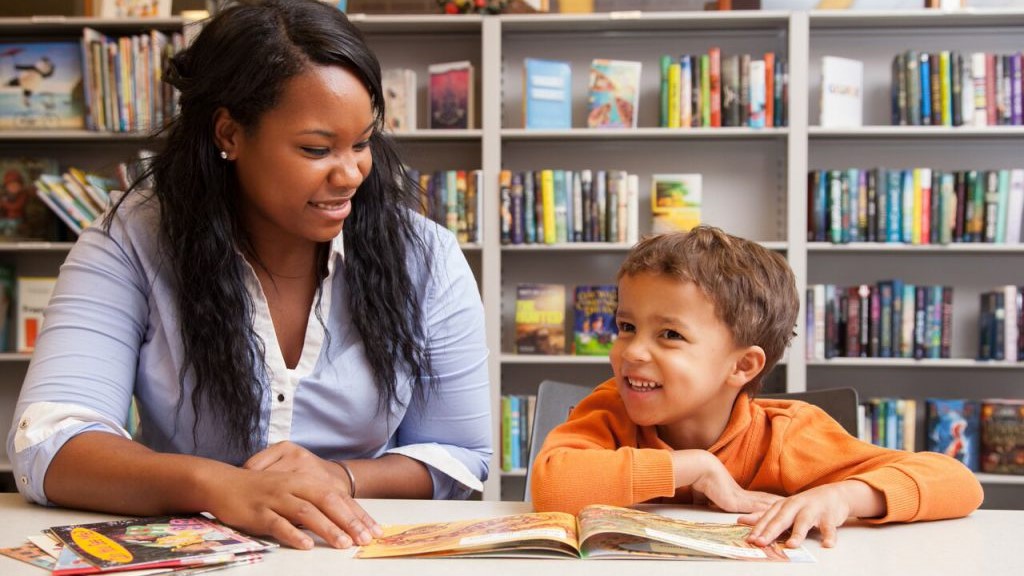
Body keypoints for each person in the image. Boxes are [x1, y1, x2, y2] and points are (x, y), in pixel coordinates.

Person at [7, 0, 490, 552]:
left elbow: (461, 453)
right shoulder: (132, 241)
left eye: (362, 143)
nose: (351, 172)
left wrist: (342, 477)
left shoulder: (425, 257)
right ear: (229, 134)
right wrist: (216, 485)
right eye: (316, 148)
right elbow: (49, 439)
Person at [530, 226, 983, 549]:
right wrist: (696, 468)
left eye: (669, 335)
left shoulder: (787, 435)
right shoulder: (610, 408)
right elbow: (551, 486)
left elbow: (959, 483)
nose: (632, 352)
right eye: (626, 326)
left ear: (742, 365)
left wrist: (842, 497)